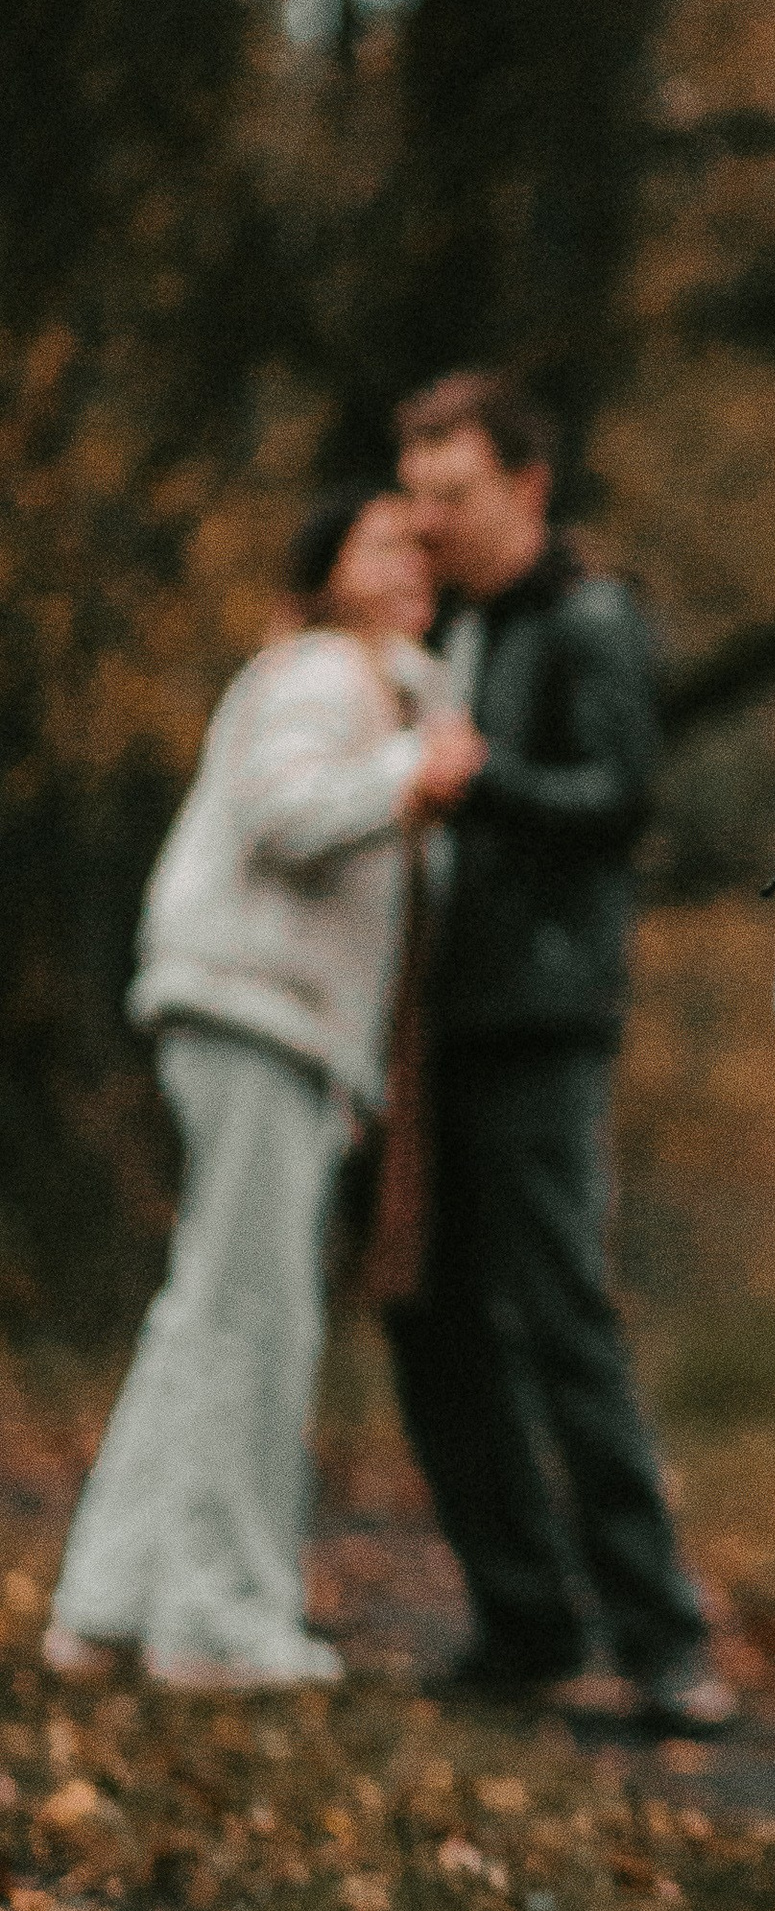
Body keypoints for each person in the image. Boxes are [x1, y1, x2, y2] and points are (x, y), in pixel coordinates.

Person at [45, 491, 479, 1690]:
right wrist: (413, 770)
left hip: (267, 1019)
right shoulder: (323, 673)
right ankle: (219, 1625)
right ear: (328, 566)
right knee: (256, 1320)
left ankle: (109, 1605)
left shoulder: (385, 687)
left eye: (423, 548)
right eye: (383, 542)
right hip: (255, 1010)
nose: (413, 560)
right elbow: (283, 815)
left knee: (204, 1313)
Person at [388, 368, 731, 1731]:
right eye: (414, 495)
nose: (427, 520)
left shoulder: (592, 619)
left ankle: (665, 1645)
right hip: (429, 1026)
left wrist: (487, 784)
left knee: (561, 1318)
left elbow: (622, 799)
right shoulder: (440, 625)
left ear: (527, 487)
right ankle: (524, 1624)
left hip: (540, 1022)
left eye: (452, 493)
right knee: (429, 1319)